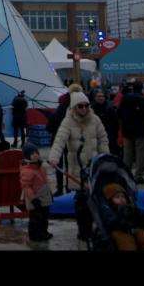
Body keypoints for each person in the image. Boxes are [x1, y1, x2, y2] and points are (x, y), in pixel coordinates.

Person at [49, 91, 109, 241]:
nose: (83, 109)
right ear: (74, 107)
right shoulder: (67, 121)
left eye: (86, 106)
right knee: (82, 202)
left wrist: (106, 158)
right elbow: (59, 141)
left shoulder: (95, 120)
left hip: (95, 167)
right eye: (80, 106)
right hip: (77, 169)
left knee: (97, 199)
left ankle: (98, 230)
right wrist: (54, 157)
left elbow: (103, 140)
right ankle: (84, 232)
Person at [102, 183, 144, 250]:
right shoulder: (108, 210)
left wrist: (137, 213)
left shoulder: (131, 207)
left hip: (134, 229)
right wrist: (121, 215)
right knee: (126, 242)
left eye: (123, 196)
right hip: (119, 231)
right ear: (110, 200)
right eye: (117, 197)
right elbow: (111, 222)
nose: (121, 199)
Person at [118, 81, 144, 183]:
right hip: (140, 130)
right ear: (141, 88)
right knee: (140, 154)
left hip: (126, 130)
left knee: (127, 154)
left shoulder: (124, 98)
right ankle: (138, 176)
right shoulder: (141, 99)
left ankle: (125, 175)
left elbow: (119, 113)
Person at [19, 143, 53, 248]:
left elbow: (46, 182)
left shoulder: (41, 167)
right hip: (34, 198)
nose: (35, 155)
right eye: (32, 153)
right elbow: (26, 187)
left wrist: (50, 193)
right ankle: (34, 236)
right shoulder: (27, 170)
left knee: (45, 217)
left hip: (44, 196)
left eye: (36, 152)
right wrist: (33, 199)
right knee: (35, 218)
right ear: (27, 156)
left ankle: (44, 232)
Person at [90, 89, 120, 158]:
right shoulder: (91, 108)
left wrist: (114, 135)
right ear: (95, 98)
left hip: (109, 136)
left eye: (102, 96)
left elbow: (115, 123)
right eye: (99, 96)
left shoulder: (109, 108)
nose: (101, 98)